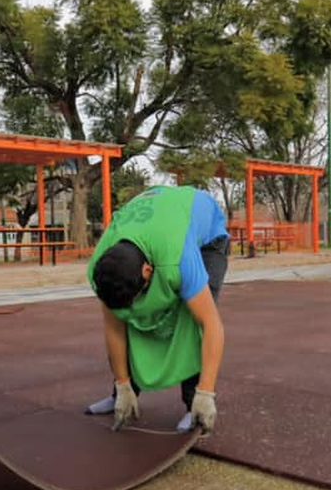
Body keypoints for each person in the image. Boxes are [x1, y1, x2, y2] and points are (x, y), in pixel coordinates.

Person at [85, 185, 230, 434]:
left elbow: (210, 325)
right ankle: (124, 394)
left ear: (147, 271)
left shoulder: (178, 258)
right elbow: (114, 327)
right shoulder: (101, 266)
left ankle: (193, 404)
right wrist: (122, 384)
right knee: (132, 318)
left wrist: (206, 392)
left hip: (208, 238)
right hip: (160, 216)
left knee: (191, 317)